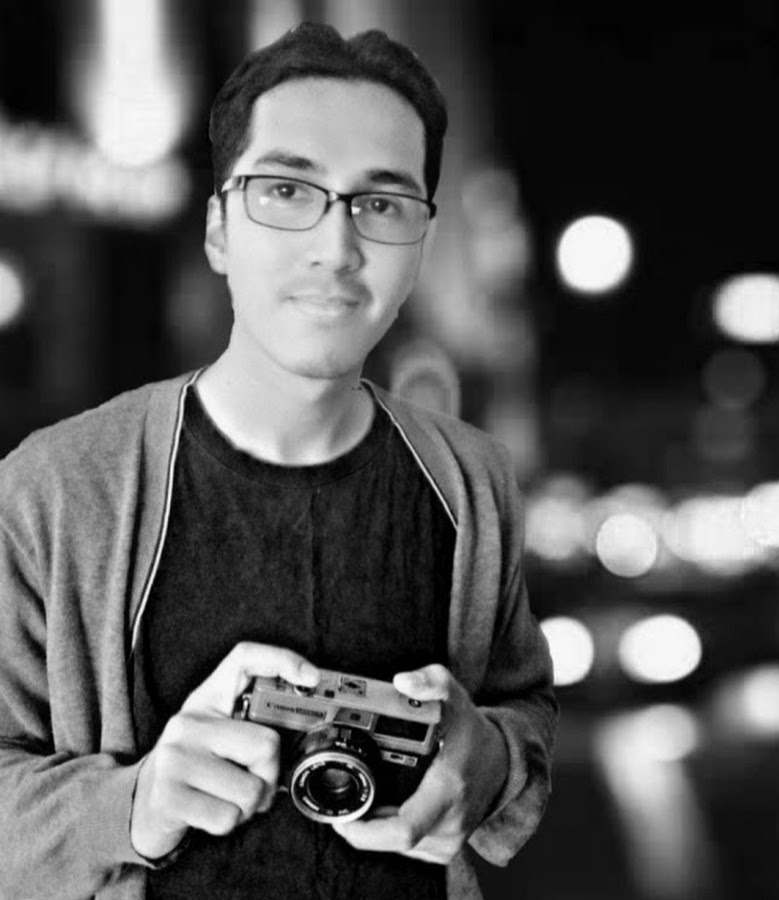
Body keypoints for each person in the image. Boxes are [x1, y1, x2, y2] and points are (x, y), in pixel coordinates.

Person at [0, 21, 557, 900]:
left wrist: (488, 759)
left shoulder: (472, 480)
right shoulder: (56, 490)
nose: (336, 247)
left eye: (382, 204)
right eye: (288, 190)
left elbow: (524, 708)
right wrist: (136, 804)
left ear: (419, 243)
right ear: (218, 229)